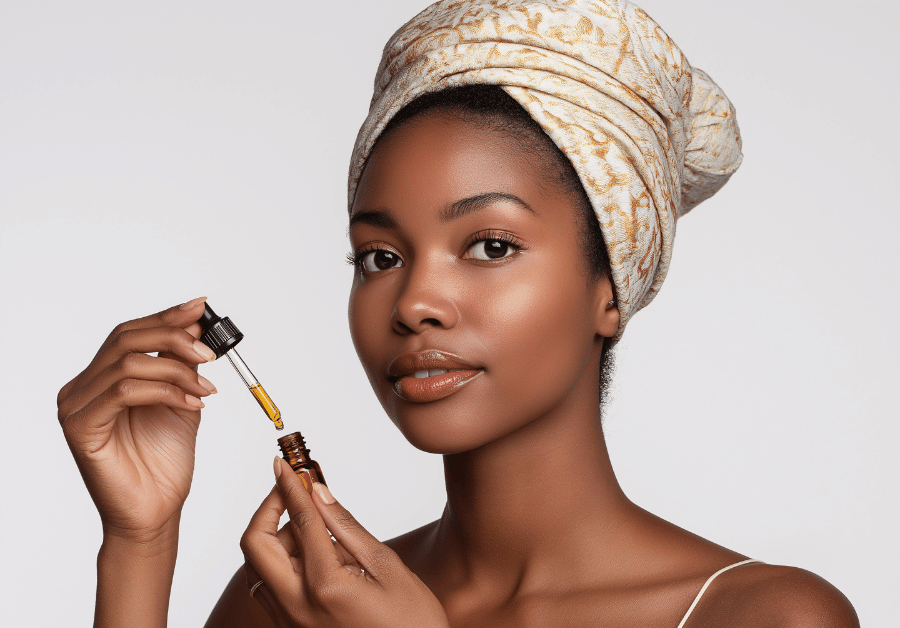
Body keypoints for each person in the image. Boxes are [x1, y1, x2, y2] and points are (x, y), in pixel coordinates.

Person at [58, 1, 859, 626]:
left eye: (490, 245)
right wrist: (139, 542)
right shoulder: (292, 602)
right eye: (380, 257)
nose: (413, 303)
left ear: (608, 288)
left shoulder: (760, 618)